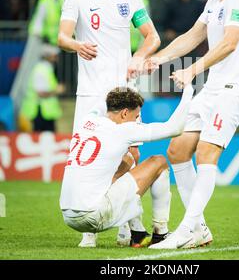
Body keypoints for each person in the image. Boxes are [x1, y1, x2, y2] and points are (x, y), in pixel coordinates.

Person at [146, 0, 239, 249]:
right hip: (212, 89)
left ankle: (186, 230)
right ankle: (200, 229)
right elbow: (193, 36)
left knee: (206, 153)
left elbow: (229, 44)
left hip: (234, 90)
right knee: (178, 150)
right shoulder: (213, 1)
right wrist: (159, 59)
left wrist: (192, 69)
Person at [58, 0, 161, 248]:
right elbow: (62, 36)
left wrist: (140, 56)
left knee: (130, 156)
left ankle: (127, 226)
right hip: (90, 94)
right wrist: (77, 44)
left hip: (123, 94)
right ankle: (90, 230)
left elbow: (152, 37)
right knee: (91, 159)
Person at [60, 83, 194, 245]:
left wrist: (125, 87)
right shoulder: (123, 131)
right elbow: (175, 128)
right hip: (93, 216)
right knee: (158, 161)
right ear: (124, 113)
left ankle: (133, 232)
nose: (136, 121)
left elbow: (105, 100)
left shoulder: (88, 119)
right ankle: (161, 234)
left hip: (68, 216)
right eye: (136, 116)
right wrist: (188, 90)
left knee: (127, 159)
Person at [20, 43, 65, 132]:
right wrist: (57, 90)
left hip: (44, 112)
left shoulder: (46, 69)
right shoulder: (41, 70)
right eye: (55, 55)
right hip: (40, 113)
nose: (57, 58)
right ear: (49, 56)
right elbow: (41, 93)